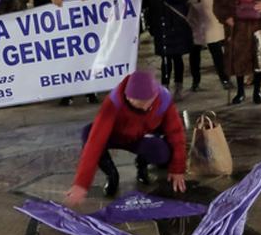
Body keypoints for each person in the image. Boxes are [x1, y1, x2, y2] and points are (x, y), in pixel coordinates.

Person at [63, 70, 187, 207]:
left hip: (143, 137)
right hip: (115, 135)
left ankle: (142, 163)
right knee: (88, 133)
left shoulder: (163, 98)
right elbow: (95, 142)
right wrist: (81, 184)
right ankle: (112, 175)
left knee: (162, 152)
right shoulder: (113, 102)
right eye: (141, 102)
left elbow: (176, 133)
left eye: (150, 101)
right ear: (128, 97)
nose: (146, 106)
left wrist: (177, 168)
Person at [49, 0, 101, 106]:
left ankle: (90, 90)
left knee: (87, 56)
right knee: (68, 57)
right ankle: (68, 92)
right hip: (65, 22)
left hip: (87, 21)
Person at [143, 0, 193, 101]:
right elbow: (150, 2)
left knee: (176, 56)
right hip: (160, 22)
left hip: (174, 21)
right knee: (164, 57)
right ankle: (164, 87)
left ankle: (178, 87)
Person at [184, 0, 230, 91]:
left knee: (216, 50)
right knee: (194, 52)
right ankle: (195, 81)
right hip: (194, 16)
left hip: (211, 16)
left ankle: (224, 79)